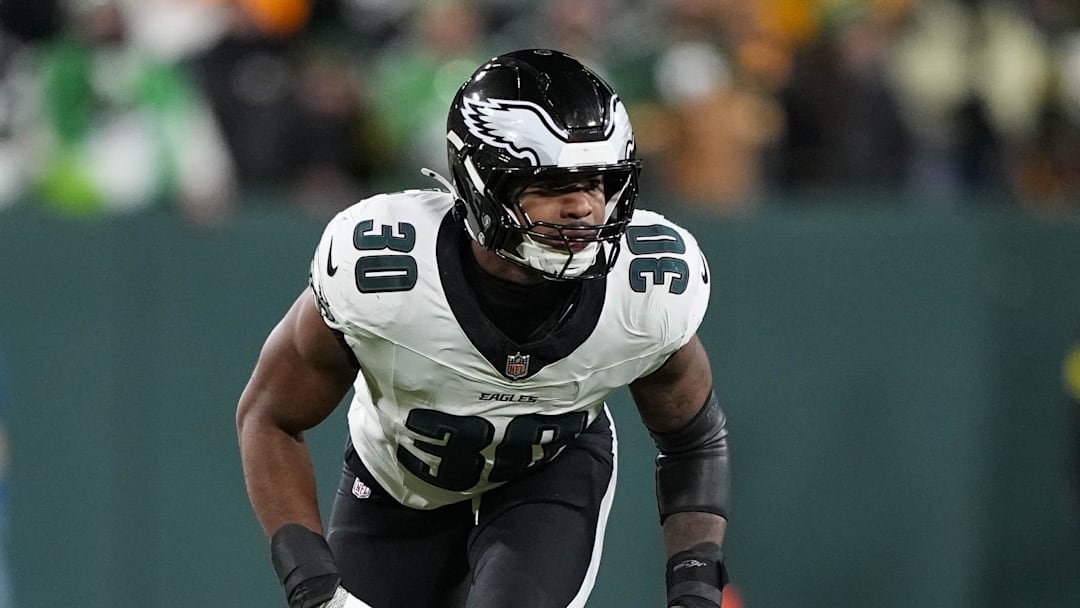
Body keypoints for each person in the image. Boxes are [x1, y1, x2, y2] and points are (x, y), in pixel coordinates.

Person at [236, 48, 731, 608]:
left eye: (598, 182)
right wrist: (312, 586)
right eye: (550, 186)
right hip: (396, 488)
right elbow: (270, 417)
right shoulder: (385, 273)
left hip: (549, 477)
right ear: (480, 183)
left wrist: (696, 585)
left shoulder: (645, 289)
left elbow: (693, 436)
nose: (583, 208)